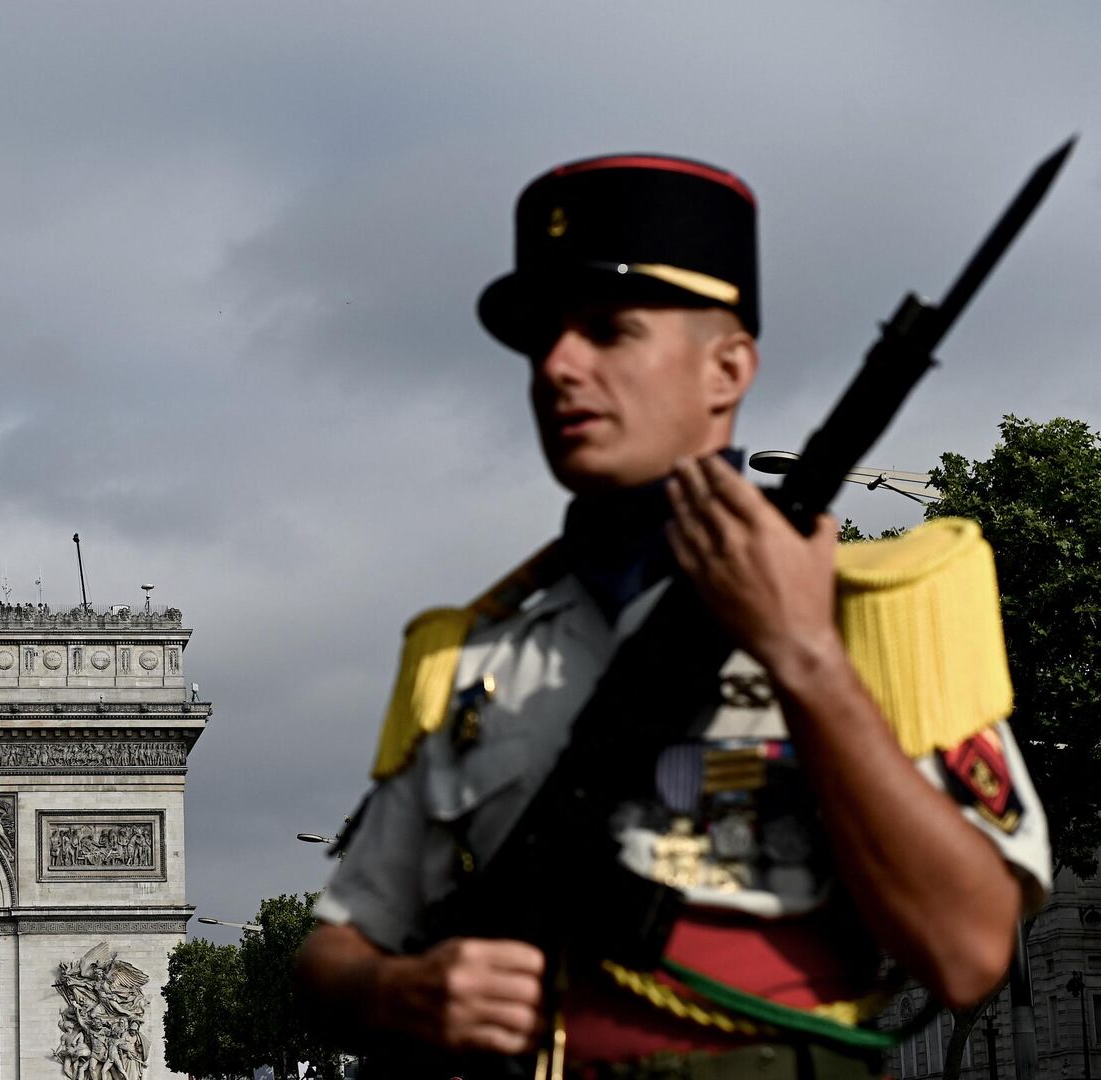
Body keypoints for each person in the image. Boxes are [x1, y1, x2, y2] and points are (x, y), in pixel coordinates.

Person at [294, 155, 1051, 1078]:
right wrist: (394, 993)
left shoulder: (874, 621)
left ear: (727, 368)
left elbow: (971, 950)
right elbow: (337, 945)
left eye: (611, 331)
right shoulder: (469, 661)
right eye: (544, 340)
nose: (559, 366)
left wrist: (804, 655)